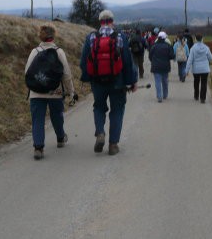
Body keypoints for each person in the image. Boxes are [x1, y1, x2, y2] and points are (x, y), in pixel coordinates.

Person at [80, 10, 137, 156]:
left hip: (98, 81)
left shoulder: (91, 37)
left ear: (100, 21)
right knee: (117, 110)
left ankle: (100, 133)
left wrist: (87, 78)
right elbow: (127, 61)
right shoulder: (120, 37)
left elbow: (84, 61)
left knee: (99, 107)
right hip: (117, 81)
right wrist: (131, 82)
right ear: (112, 21)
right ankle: (113, 145)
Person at [25, 24, 75, 160]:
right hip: (55, 91)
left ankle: (38, 148)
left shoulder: (34, 51)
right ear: (54, 36)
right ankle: (60, 138)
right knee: (57, 116)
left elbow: (27, 72)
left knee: (37, 120)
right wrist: (71, 92)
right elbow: (66, 74)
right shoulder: (59, 51)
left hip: (36, 92)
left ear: (41, 36)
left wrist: (32, 88)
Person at [184, 33, 212, 104]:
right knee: (204, 83)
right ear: (202, 39)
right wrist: (208, 60)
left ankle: (196, 95)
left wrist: (186, 70)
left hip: (196, 69)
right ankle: (203, 98)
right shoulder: (206, 48)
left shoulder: (193, 48)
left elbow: (190, 60)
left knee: (196, 82)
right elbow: (211, 58)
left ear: (195, 39)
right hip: (205, 69)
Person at [149, 31, 175, 103]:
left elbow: (150, 56)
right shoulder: (168, 46)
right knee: (165, 81)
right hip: (165, 66)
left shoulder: (154, 46)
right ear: (164, 38)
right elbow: (172, 56)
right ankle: (165, 94)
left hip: (156, 66)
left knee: (157, 82)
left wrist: (154, 61)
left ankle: (159, 96)